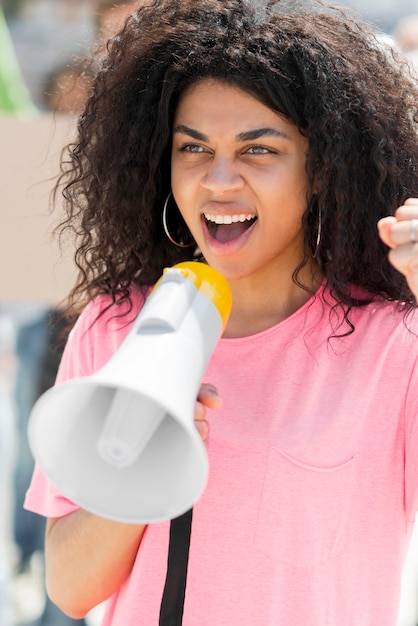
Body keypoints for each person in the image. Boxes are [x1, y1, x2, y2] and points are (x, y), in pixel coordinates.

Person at [23, 0, 418, 624]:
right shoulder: (115, 327)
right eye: (193, 148)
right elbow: (71, 587)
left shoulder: (394, 344)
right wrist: (142, 464)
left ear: (323, 172)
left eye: (259, 151)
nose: (219, 180)